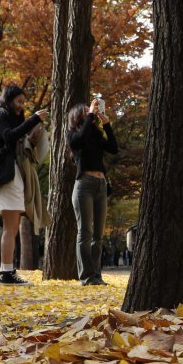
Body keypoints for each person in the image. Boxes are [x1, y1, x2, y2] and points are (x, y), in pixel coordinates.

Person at [0, 84, 48, 284]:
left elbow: (18, 139)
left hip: (12, 174)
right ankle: (6, 273)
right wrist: (33, 119)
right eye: (19, 101)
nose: (22, 106)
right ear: (9, 99)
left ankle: (8, 270)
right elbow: (9, 136)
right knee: (9, 227)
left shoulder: (13, 118)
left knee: (12, 227)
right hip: (5, 175)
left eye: (24, 102)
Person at [67, 97, 119, 286]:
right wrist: (90, 114)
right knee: (85, 232)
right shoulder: (73, 134)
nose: (90, 112)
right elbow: (80, 139)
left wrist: (107, 125)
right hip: (84, 186)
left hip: (101, 185)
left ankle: (96, 276)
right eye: (86, 111)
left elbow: (113, 148)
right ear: (78, 116)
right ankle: (86, 277)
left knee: (98, 235)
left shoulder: (95, 134)